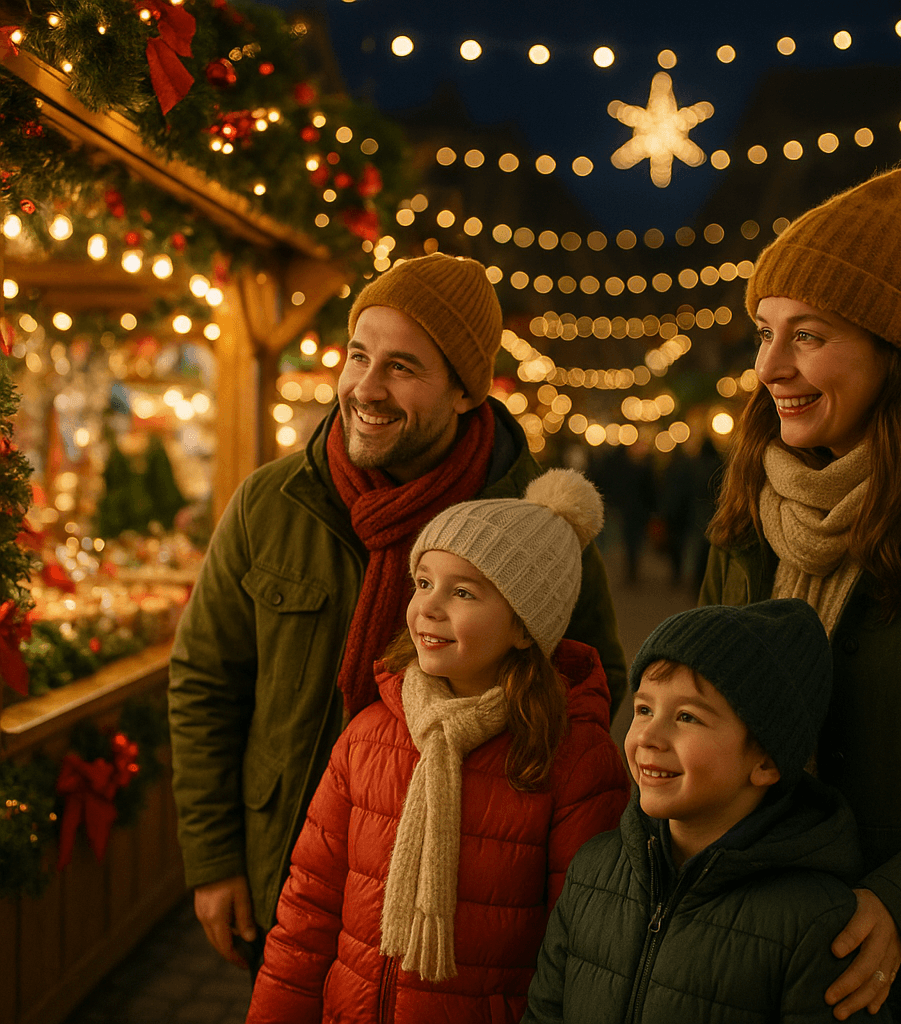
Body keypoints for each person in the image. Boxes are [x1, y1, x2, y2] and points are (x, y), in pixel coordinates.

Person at [167, 253, 626, 974]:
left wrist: (499, 805)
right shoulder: (272, 501)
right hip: (287, 869)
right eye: (358, 355)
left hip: (458, 904)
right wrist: (214, 857)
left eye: (402, 367)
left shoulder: (530, 526)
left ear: (464, 392)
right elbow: (205, 681)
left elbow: (594, 685)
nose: (366, 388)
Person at [700, 168, 901, 1022]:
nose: (769, 366)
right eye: (766, 331)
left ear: (894, 349)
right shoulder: (747, 512)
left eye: (808, 335)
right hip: (748, 956)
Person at [245, 469, 631, 1023]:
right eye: (423, 583)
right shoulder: (370, 735)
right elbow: (308, 907)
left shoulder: (572, 758)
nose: (428, 607)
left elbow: (584, 948)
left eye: (464, 592)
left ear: (525, 627)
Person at [523, 600, 889, 1023]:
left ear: (766, 762)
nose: (650, 736)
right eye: (644, 709)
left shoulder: (816, 925)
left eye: (686, 717)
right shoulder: (593, 872)